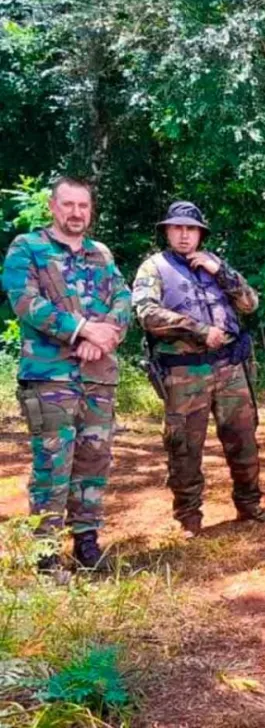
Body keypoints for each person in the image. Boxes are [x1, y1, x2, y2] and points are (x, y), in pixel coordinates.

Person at [2, 177, 131, 570]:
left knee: (94, 461)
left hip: (98, 376)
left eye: (84, 206)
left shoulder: (101, 253)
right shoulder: (28, 247)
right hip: (50, 377)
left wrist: (103, 338)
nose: (76, 213)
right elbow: (25, 301)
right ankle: (46, 556)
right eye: (69, 205)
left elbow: (123, 299)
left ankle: (87, 544)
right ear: (53, 208)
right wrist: (81, 329)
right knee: (53, 465)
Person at [132, 201, 265, 536]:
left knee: (243, 439)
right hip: (184, 372)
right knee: (184, 446)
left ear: (200, 233)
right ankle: (189, 518)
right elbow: (147, 314)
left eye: (191, 229)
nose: (184, 235)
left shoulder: (215, 264)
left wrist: (219, 271)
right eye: (177, 228)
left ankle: (249, 506)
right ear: (166, 231)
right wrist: (198, 330)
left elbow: (250, 304)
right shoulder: (153, 268)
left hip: (229, 367)